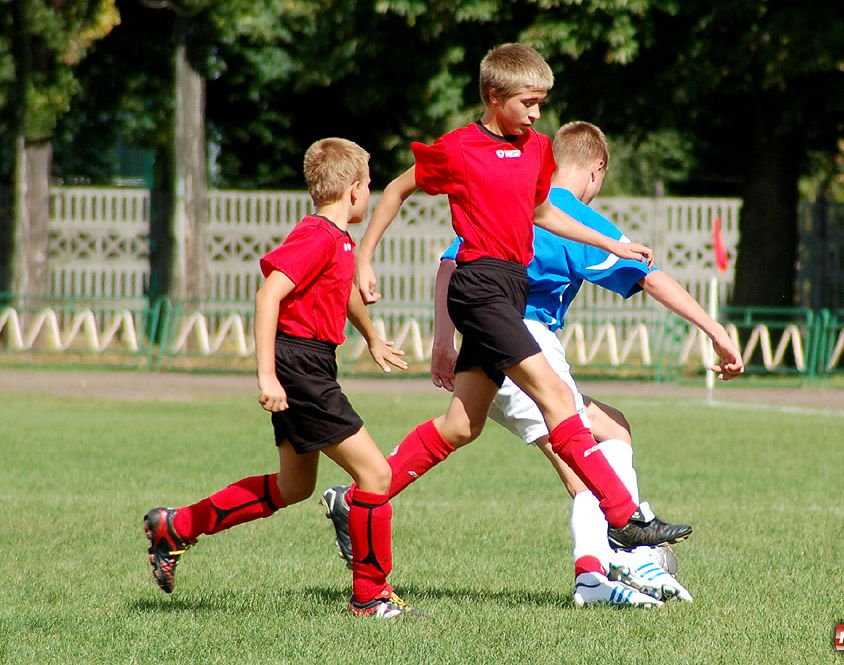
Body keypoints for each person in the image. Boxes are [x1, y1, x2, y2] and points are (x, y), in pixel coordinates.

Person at [326, 122, 744, 607]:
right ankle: (612, 566)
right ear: (597, 169)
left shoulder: (513, 194)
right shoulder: (570, 213)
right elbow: (651, 279)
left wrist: (443, 338)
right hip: (523, 339)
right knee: (588, 454)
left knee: (473, 427)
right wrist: (717, 332)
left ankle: (359, 498)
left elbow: (450, 263)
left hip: (483, 329)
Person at [345, 43, 655, 549]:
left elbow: (544, 214)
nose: (536, 114)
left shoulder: (536, 149)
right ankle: (622, 515)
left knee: (462, 425)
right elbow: (398, 190)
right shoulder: (459, 148)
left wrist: (612, 243)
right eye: (527, 103)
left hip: (511, 287)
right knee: (557, 397)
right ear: (494, 96)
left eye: (540, 104)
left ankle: (362, 497)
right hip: (479, 285)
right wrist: (364, 257)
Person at [143, 138, 419, 619]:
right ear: (354, 191)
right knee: (375, 474)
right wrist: (267, 376)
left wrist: (372, 336)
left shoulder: (337, 239)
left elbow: (341, 287)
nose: (370, 194)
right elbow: (268, 295)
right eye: (370, 185)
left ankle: (177, 526)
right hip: (300, 367)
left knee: (294, 487)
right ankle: (370, 596)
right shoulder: (316, 236)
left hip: (308, 364)